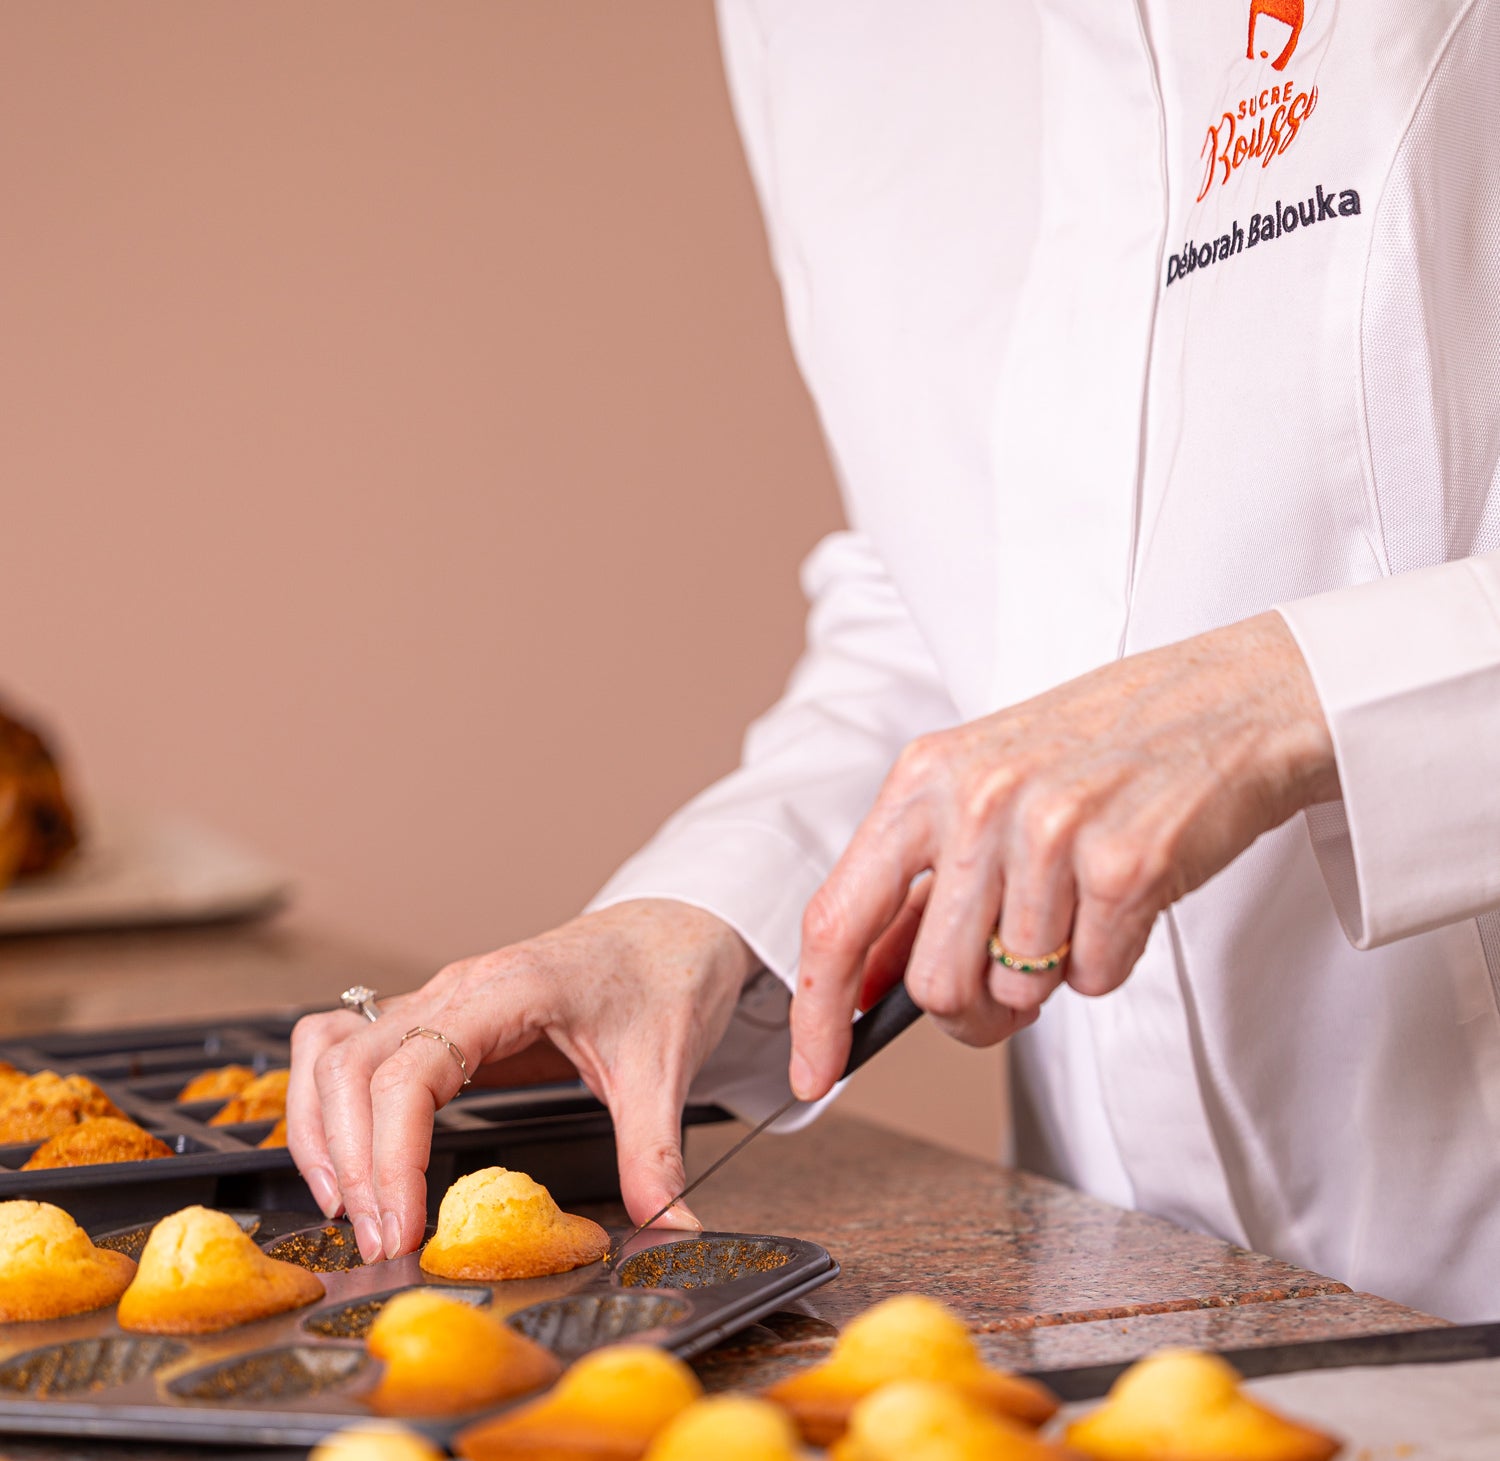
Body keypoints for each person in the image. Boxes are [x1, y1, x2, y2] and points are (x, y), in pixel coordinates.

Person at [288, 0, 1500, 1321]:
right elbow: (962, 597)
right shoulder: (812, 31)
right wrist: (703, 918)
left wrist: (1292, 695)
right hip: (1127, 1305)